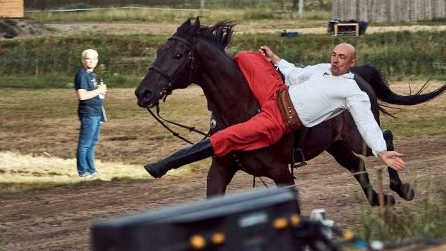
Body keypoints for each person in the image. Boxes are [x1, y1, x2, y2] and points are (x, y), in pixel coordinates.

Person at [144, 42, 405, 178]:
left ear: (352, 63)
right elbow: (296, 74)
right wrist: (275, 59)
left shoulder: (352, 93)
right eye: (334, 55)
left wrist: (381, 152)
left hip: (277, 119)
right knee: (247, 57)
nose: (335, 60)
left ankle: (166, 164)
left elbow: (366, 123)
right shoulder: (321, 69)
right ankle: (217, 105)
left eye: (342, 58)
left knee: (223, 138)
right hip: (275, 93)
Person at [74, 49, 107, 178]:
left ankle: (91, 169)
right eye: (89, 59)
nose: (92, 61)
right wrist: (99, 90)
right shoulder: (81, 75)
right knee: (85, 143)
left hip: (97, 112)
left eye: (94, 58)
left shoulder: (92, 75)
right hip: (88, 113)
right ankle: (83, 171)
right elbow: (82, 96)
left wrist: (100, 92)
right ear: (83, 61)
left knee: (92, 143)